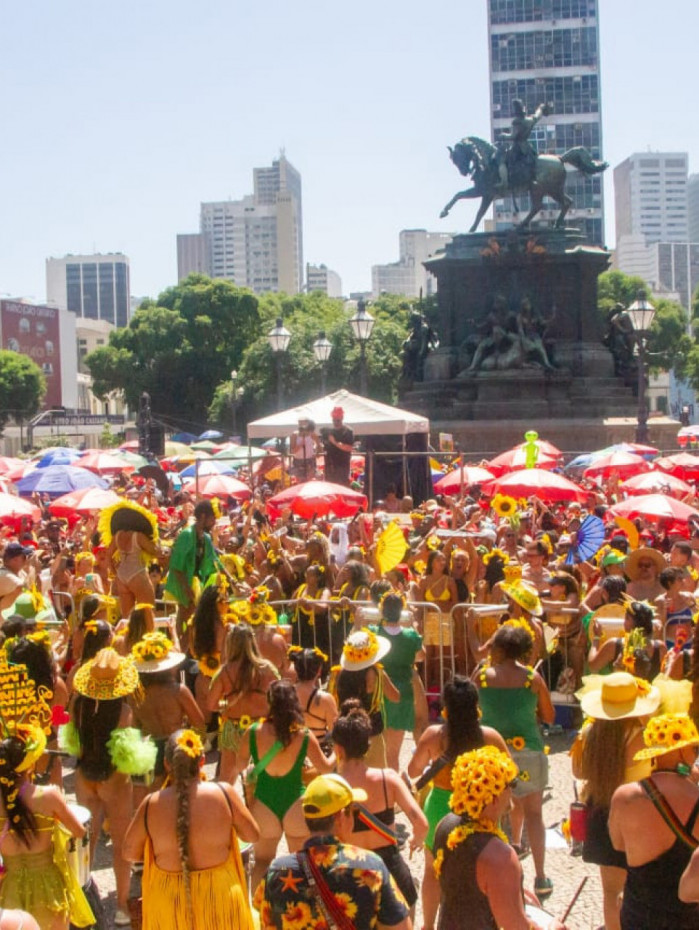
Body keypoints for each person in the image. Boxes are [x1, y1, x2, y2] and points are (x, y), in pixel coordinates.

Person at [123, 729, 259, 930]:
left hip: (169, 900)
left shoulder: (151, 804)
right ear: (202, 761)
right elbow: (252, 835)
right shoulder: (225, 794)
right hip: (221, 896)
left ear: (167, 764)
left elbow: (129, 852)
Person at [408, 675, 508, 930]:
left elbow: (412, 770)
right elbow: (510, 774)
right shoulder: (490, 737)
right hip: (479, 807)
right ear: (475, 706)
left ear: (446, 707)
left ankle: (429, 926)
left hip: (440, 806)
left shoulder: (433, 736)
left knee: (431, 871)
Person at [64, 647, 156, 925]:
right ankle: (121, 908)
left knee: (85, 842)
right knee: (120, 845)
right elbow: (125, 754)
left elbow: (74, 745)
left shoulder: (77, 705)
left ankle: (82, 901)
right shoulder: (124, 710)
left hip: (84, 776)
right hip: (114, 780)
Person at [254, 773, 412, 930]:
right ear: (341, 816)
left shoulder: (276, 872)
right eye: (354, 812)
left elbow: (265, 922)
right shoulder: (370, 868)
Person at [433, 745, 564, 930]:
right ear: (493, 798)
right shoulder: (500, 857)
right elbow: (516, 927)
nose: (513, 791)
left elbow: (465, 890)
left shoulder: (444, 826)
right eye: (510, 785)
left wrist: (509, 893)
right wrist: (551, 928)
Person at [573, 672, 661, 930]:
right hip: (638, 815)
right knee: (642, 887)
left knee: (610, 891)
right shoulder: (642, 736)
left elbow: (578, 771)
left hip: (600, 812)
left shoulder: (589, 733)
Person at [233, 679, 336, 890]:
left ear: (269, 702)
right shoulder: (303, 735)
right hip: (296, 804)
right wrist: (336, 752)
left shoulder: (253, 732)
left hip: (263, 803)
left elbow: (239, 765)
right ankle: (298, 909)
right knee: (301, 863)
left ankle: (260, 912)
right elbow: (326, 768)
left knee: (262, 861)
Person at [477, 624, 555, 899]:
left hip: (493, 754)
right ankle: (541, 875)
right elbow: (549, 716)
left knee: (491, 814)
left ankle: (495, 872)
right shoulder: (532, 679)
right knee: (534, 813)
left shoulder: (482, 677)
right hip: (528, 752)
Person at [331, 700, 427, 912]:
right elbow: (421, 823)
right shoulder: (388, 779)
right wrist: (415, 840)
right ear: (368, 744)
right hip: (389, 868)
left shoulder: (331, 785)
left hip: (350, 870)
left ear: (338, 748)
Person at [0, 722, 94, 930]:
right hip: (49, 889)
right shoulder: (49, 796)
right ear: (30, 765)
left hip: (8, 889)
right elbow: (79, 831)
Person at [609, 712, 699, 929]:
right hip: (688, 919)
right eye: (694, 748)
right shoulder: (696, 798)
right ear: (679, 750)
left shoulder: (624, 796)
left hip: (639, 914)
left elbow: (617, 845)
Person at [131, 632, 204, 791]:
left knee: (157, 796)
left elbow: (134, 728)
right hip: (179, 746)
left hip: (151, 749)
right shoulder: (178, 691)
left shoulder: (135, 696)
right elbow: (199, 721)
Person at [207, 624, 280, 782]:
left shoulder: (224, 672)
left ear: (231, 644)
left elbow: (211, 705)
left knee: (226, 780)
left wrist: (227, 705)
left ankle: (227, 806)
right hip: (262, 728)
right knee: (262, 777)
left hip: (233, 729)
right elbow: (282, 696)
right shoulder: (267, 668)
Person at [331, 627, 400, 768]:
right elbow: (395, 697)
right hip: (370, 734)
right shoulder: (375, 673)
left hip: (345, 735)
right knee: (374, 780)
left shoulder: (338, 674)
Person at [371, 592, 424, 771]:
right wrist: (415, 627)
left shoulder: (373, 632)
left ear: (382, 610)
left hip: (379, 692)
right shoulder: (411, 635)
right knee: (393, 753)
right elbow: (421, 656)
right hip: (403, 693)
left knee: (379, 749)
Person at [164, 500, 218, 643]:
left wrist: (232, 580)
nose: (214, 522)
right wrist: (186, 589)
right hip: (184, 585)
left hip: (196, 584)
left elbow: (215, 561)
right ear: (203, 516)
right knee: (188, 621)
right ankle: (181, 651)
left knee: (191, 623)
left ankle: (185, 650)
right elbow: (176, 566)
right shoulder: (186, 535)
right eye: (213, 518)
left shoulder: (206, 538)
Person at [289, 646, 338, 751]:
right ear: (319, 671)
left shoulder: (286, 694)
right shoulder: (326, 699)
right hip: (320, 752)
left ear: (296, 670)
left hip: (292, 752)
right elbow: (336, 733)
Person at [321, 406, 354, 486]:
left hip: (342, 466)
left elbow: (349, 448)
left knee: (342, 487)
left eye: (337, 420)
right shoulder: (328, 431)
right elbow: (323, 445)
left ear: (342, 418)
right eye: (334, 420)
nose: (335, 422)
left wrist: (334, 442)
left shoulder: (347, 431)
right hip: (330, 466)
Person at [0, 543, 32, 611]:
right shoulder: (4, 575)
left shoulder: (20, 572)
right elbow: (25, 588)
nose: (26, 559)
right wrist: (32, 569)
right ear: (15, 560)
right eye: (24, 557)